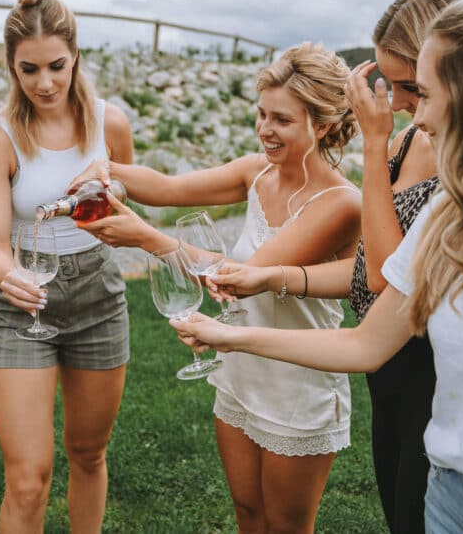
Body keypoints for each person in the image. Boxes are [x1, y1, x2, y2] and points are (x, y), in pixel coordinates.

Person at [173, 0, 463, 534]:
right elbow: (366, 343)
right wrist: (229, 337)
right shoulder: (446, 214)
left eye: (425, 93)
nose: (414, 115)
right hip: (453, 499)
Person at [211, 0, 463, 534]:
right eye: (391, 83)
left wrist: (374, 147)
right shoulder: (408, 142)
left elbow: (382, 275)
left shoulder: (456, 160)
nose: (398, 102)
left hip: (433, 370)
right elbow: (367, 268)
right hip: (391, 372)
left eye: (409, 86)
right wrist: (273, 277)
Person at [78, 42, 361, 533]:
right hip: (240, 370)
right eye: (261, 114)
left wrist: (144, 237)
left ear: (323, 124)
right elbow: (166, 187)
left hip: (298, 382)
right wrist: (109, 172)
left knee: (286, 527)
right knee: (248, 515)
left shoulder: (341, 203)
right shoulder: (258, 172)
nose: (265, 131)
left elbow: (243, 277)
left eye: (282, 120)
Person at [0, 0, 135, 533]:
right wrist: (7, 275)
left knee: (88, 455)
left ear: (76, 57)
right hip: (24, 303)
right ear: (11, 68)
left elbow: (125, 201)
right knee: (27, 479)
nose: (45, 83)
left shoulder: (110, 124)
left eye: (56, 67)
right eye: (29, 69)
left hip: (99, 297)